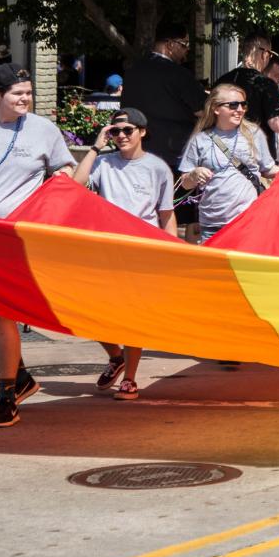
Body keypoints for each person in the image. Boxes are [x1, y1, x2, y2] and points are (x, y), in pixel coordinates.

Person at [0, 65, 75, 427]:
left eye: (28, 92)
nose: (26, 98)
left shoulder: (43, 130)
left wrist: (58, 184)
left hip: (17, 237)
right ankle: (22, 376)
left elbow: (64, 170)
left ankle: (6, 395)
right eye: (17, 93)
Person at [70, 108, 176, 400]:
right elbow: (74, 186)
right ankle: (115, 357)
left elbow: (166, 215)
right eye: (115, 131)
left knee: (133, 315)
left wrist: (174, 253)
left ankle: (129, 378)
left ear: (142, 132)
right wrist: (95, 145)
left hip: (142, 251)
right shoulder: (104, 163)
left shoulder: (157, 168)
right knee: (89, 312)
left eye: (128, 130)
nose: (121, 136)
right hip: (107, 249)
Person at [179, 83, 279, 241]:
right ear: (216, 108)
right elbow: (185, 183)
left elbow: (268, 169)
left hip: (248, 222)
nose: (240, 109)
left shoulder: (254, 134)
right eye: (233, 105)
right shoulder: (200, 139)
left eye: (243, 105)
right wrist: (194, 175)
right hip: (212, 225)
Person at [120, 21, 206, 173]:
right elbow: (204, 111)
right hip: (172, 156)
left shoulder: (133, 71)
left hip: (136, 152)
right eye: (185, 44)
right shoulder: (179, 74)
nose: (187, 50)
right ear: (171, 45)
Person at [215, 34, 279, 158]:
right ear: (264, 54)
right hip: (257, 159)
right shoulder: (265, 84)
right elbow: (277, 124)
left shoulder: (222, 81)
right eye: (270, 55)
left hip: (222, 154)